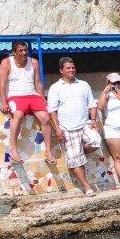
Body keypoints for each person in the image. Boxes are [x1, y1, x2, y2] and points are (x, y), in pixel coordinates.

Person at [45, 57, 100, 196]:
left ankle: (80, 151)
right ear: (61, 70)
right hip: (67, 128)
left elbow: (92, 104)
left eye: (73, 67)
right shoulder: (55, 87)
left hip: (84, 124)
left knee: (96, 141)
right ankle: (87, 187)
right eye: (68, 68)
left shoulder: (83, 84)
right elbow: (52, 110)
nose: (71, 70)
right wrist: (57, 129)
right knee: (75, 161)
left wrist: (93, 119)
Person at [0, 40, 55, 163]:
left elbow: (38, 82)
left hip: (33, 95)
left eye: (26, 50)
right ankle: (13, 149)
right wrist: (4, 102)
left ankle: (48, 151)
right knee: (17, 115)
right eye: (21, 51)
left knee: (45, 117)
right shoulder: (6, 62)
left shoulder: (34, 62)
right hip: (15, 96)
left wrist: (42, 97)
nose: (24, 53)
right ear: (14, 52)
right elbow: (2, 84)